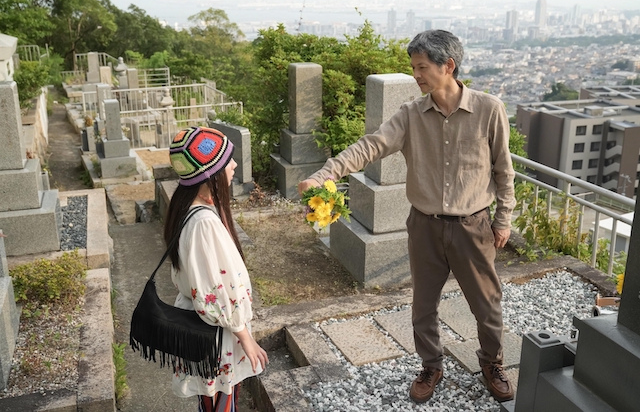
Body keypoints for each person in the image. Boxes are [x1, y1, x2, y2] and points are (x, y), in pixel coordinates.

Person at [298, 30, 516, 403]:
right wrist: (324, 175)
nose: (416, 75)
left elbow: (503, 170)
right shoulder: (410, 115)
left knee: (487, 304)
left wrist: (503, 218)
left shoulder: (488, 109)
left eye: (421, 67)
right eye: (413, 67)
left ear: (448, 66)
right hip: (424, 226)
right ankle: (431, 365)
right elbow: (371, 146)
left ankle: (491, 363)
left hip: (473, 226)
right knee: (423, 306)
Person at [165, 126, 268, 412]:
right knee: (219, 404)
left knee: (212, 402)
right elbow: (215, 290)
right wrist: (245, 336)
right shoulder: (204, 224)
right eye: (227, 161)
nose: (234, 165)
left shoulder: (189, 209)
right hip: (214, 333)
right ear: (210, 174)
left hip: (205, 329)